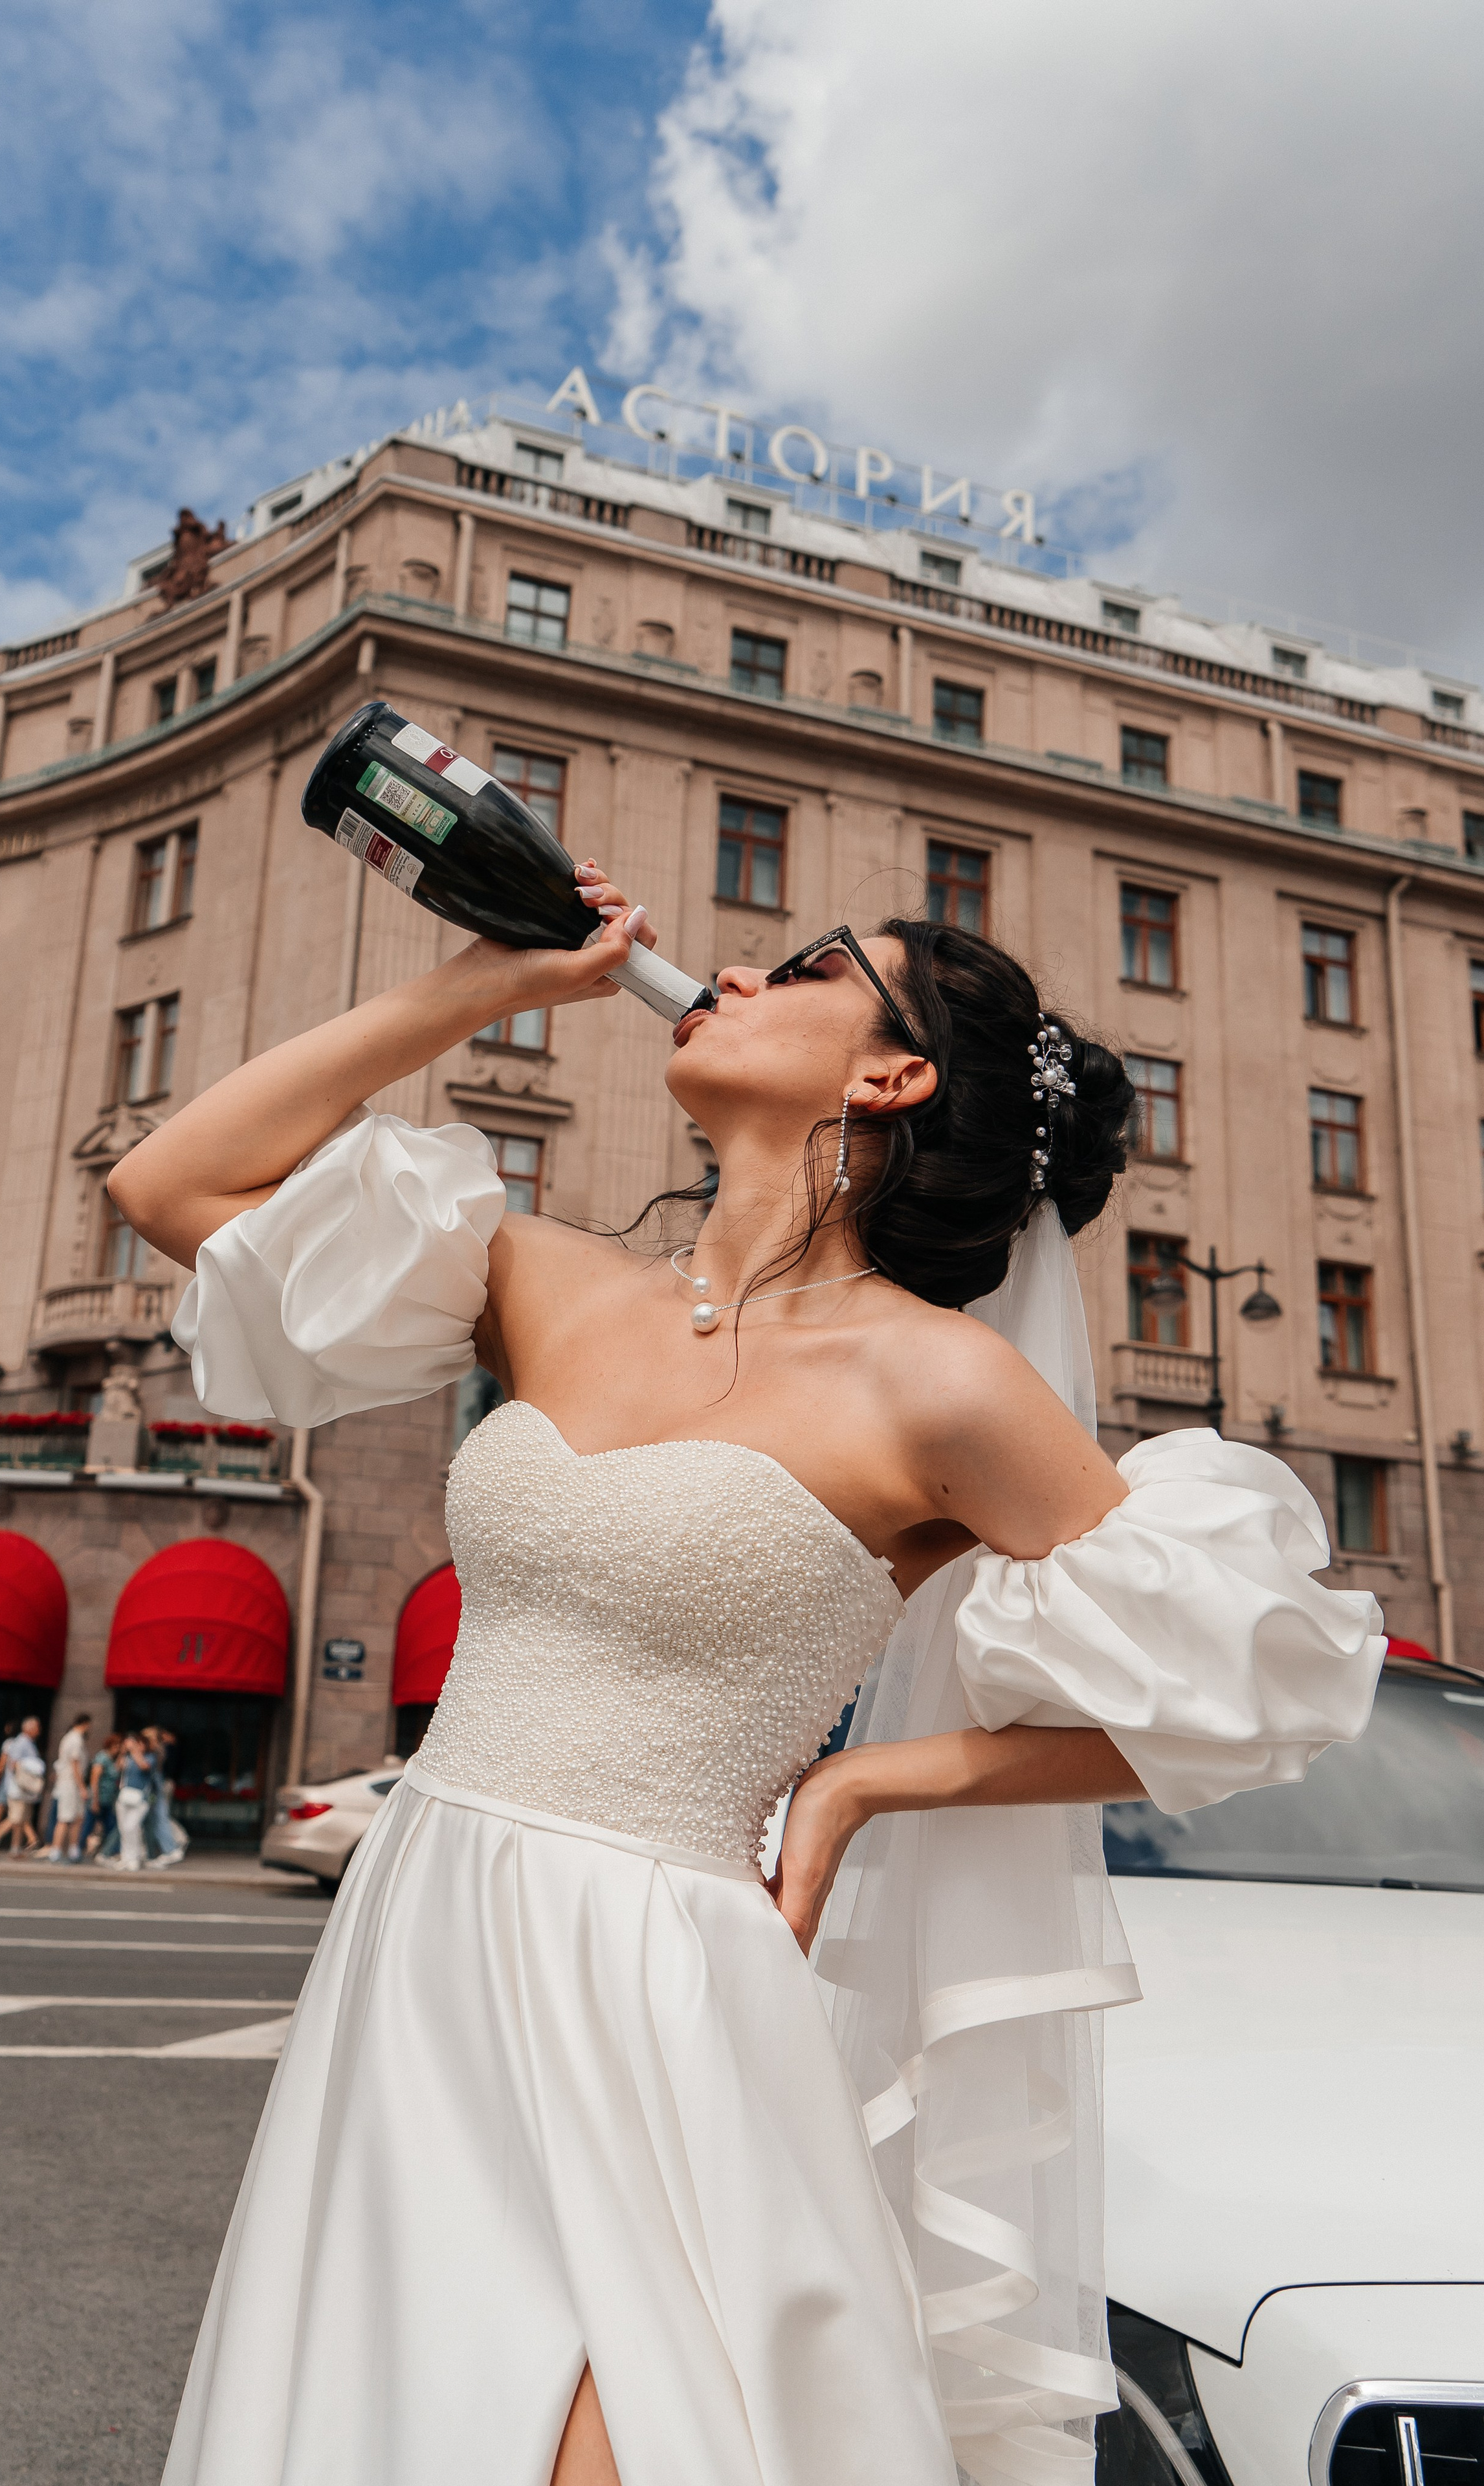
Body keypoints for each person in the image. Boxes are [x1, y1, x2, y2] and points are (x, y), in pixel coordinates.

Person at [111, 879, 1384, 2486]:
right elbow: (173, 1183)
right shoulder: (541, 1280)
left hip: (662, 1970)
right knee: (395, 2412)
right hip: (422, 1931)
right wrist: (479, 984)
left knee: (631, 2438)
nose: (723, 970)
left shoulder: (938, 1380)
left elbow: (1244, 1689)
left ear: (891, 1073)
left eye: (802, 969)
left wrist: (861, 1783)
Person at [0, 1716, 44, 1855]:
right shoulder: (21, 1743)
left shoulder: (28, 1743)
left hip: (23, 1790)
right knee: (15, 1818)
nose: (39, 1730)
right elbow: (13, 1764)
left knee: (21, 1820)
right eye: (37, 1727)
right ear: (29, 1729)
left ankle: (15, 1850)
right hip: (18, 1788)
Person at [43, 1712, 91, 1863]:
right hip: (71, 1784)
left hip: (69, 1783)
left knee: (76, 1817)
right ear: (86, 1724)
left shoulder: (70, 1738)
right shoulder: (75, 1739)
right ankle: (57, 1850)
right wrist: (82, 1787)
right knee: (65, 1818)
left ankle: (73, 1849)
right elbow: (74, 1765)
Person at [144, 1724, 188, 1868]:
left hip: (159, 1786)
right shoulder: (161, 1750)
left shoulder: (159, 1751)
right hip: (159, 1785)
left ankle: (173, 1846)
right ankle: (165, 1849)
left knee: (160, 1818)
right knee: (159, 1818)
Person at [106, 1732, 151, 1872]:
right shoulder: (127, 1757)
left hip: (140, 1799)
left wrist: (134, 1751)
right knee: (124, 1829)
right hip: (125, 1797)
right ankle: (126, 1858)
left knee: (133, 1827)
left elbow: (144, 1766)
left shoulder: (150, 1757)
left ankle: (135, 1858)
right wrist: (123, 1752)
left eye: (140, 1744)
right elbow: (117, 1769)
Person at [83, 1730, 122, 1860]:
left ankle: (112, 1851)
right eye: (117, 1746)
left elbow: (115, 1773)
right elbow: (94, 1780)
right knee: (88, 1825)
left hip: (107, 1800)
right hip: (98, 1799)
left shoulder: (111, 1760)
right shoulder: (102, 1758)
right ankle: (77, 1849)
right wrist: (94, 1801)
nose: (118, 1749)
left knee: (111, 1826)